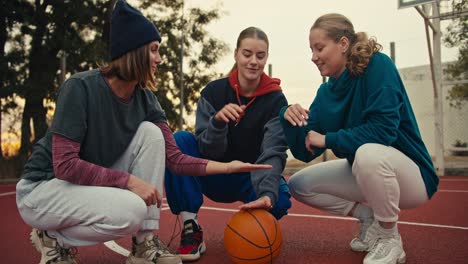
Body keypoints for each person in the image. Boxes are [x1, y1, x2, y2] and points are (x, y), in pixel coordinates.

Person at [15, 2, 272, 264]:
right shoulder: (79, 88)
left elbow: (175, 158)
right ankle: (52, 238)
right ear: (134, 51)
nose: (159, 59)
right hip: (43, 189)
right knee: (131, 211)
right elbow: (65, 165)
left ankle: (143, 245)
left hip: (81, 185)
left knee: (151, 133)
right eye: (154, 50)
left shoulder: (146, 100)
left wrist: (228, 167)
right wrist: (129, 181)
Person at [280, 13, 438, 264]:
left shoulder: (378, 66)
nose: (313, 56)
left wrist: (328, 139)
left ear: (343, 44)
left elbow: (383, 131)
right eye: (311, 50)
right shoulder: (326, 92)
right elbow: (304, 150)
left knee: (368, 153)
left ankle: (389, 237)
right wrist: (287, 117)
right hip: (364, 169)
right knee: (298, 184)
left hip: (413, 176)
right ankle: (369, 218)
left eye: (319, 48)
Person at [164, 26, 292, 262]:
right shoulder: (213, 93)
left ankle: (255, 223)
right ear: (236, 54)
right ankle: (191, 228)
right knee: (180, 139)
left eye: (260, 56)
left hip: (248, 177)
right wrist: (218, 122)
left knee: (280, 199)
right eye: (247, 54)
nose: (253, 61)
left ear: (266, 58)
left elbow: (273, 150)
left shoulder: (276, 100)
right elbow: (205, 150)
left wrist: (266, 194)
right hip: (213, 173)